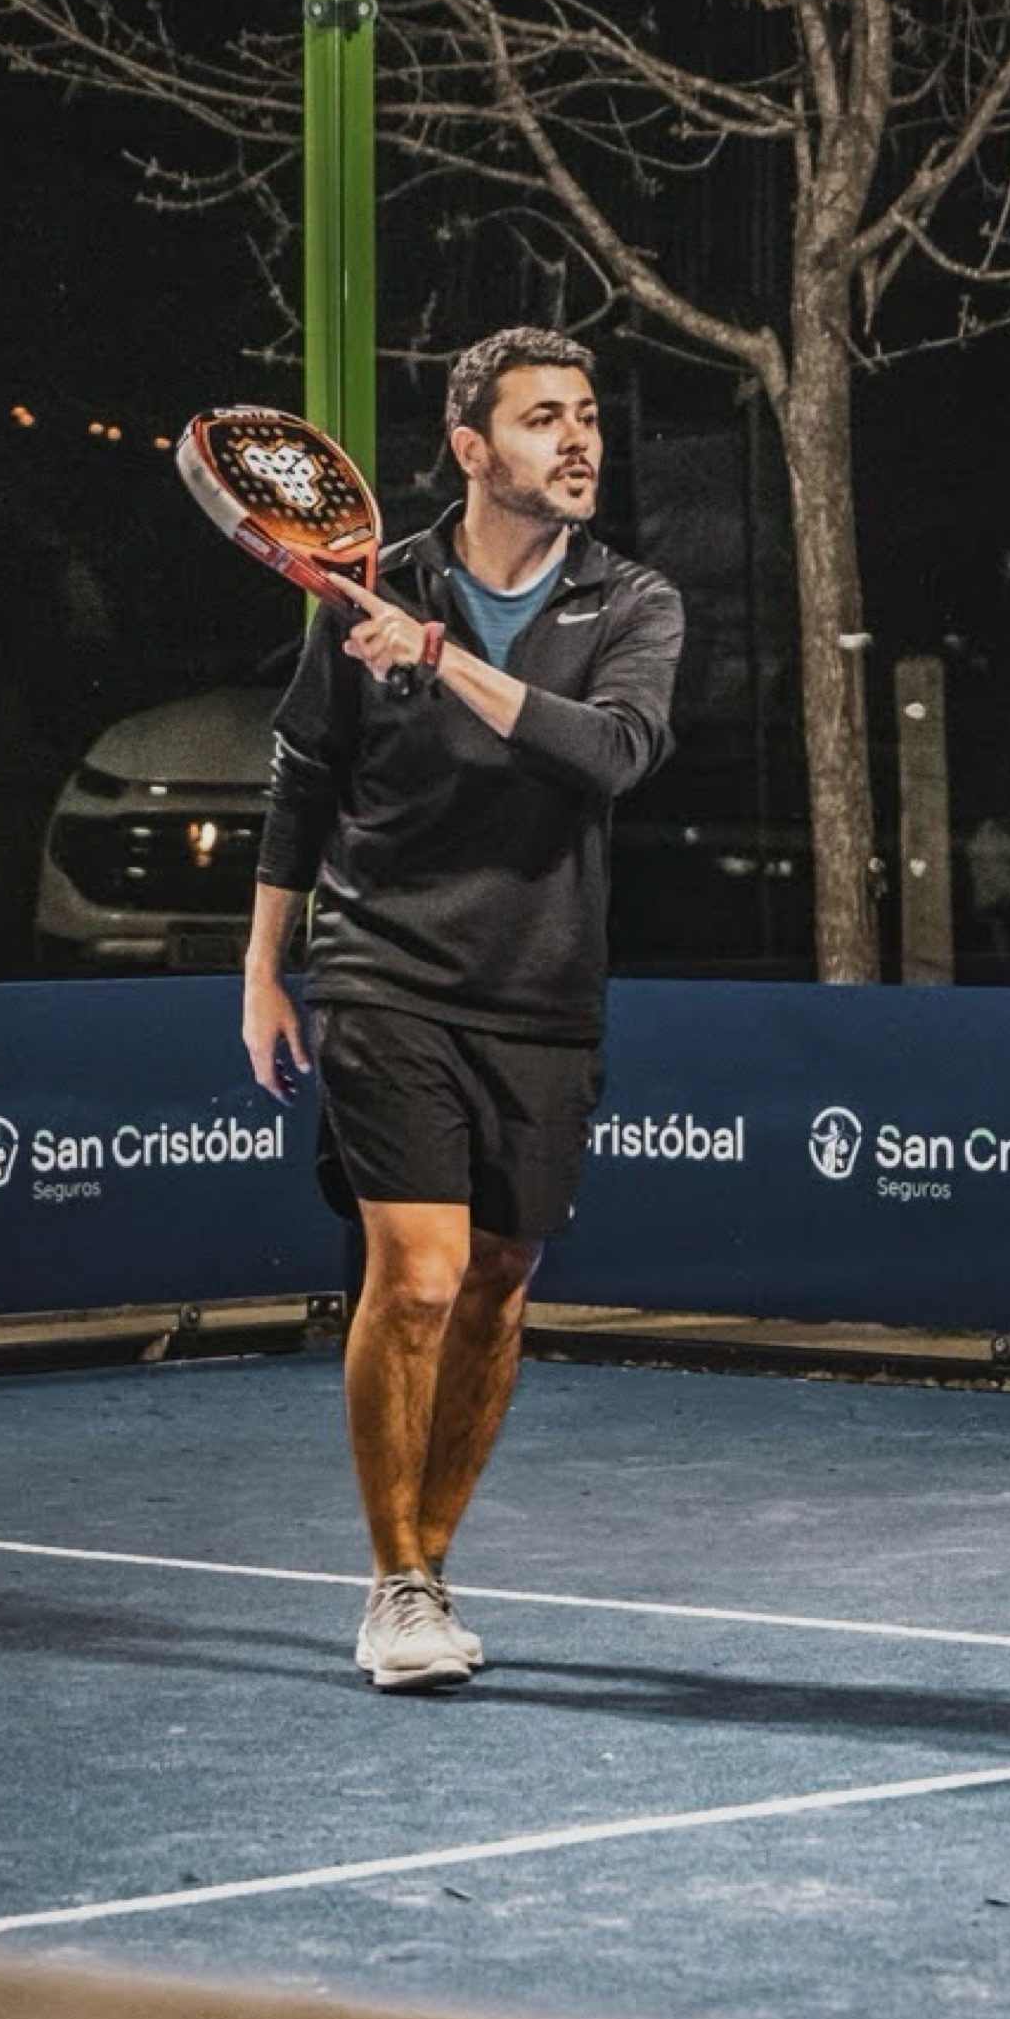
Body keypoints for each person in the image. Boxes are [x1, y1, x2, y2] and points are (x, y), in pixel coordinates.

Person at [242, 327, 683, 1692]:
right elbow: (304, 781)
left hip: (543, 988)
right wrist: (262, 970)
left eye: (587, 415)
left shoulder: (634, 602)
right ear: (472, 448)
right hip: (383, 970)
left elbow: (609, 752)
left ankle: (427, 1564)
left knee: (495, 1283)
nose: (579, 438)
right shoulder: (372, 586)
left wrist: (437, 658)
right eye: (545, 417)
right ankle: (396, 1585)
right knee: (422, 1272)